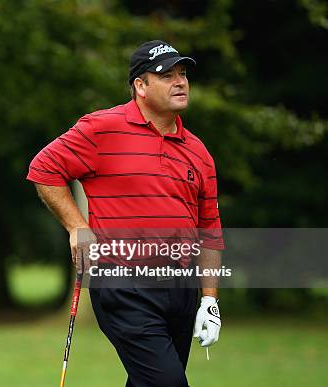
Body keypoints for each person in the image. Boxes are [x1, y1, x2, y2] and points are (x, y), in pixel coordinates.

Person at [27, 40, 223, 386]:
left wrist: (209, 299)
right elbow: (44, 170)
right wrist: (77, 226)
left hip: (181, 287)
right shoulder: (101, 129)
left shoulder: (198, 151)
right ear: (140, 86)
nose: (180, 82)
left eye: (183, 74)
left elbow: (210, 230)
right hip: (124, 283)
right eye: (167, 76)